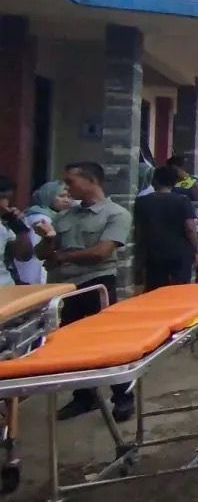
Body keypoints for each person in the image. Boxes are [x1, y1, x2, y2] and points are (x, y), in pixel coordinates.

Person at [33, 162, 134, 421]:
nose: (67, 187)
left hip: (95, 284)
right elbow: (42, 253)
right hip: (64, 288)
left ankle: (122, 397)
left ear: (91, 181)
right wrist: (48, 241)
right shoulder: (65, 215)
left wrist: (62, 257)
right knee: (72, 345)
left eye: (71, 181)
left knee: (106, 343)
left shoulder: (115, 214)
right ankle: (84, 396)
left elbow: (101, 252)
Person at [134, 166, 198, 291]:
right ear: (175, 182)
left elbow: (139, 231)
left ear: (154, 181)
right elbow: (190, 228)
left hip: (153, 254)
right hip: (179, 254)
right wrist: (196, 250)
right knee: (179, 291)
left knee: (155, 291)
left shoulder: (142, 202)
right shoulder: (182, 201)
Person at [15, 181, 71, 285]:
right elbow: (36, 251)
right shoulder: (41, 218)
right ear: (48, 196)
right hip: (34, 274)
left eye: (69, 196)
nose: (67, 200)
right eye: (62, 196)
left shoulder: (56, 216)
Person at [1, 176, 35, 286]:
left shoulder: (4, 225)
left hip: (5, 285)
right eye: (1, 198)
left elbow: (23, 255)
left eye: (7, 199)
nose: (4, 204)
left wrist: (18, 227)